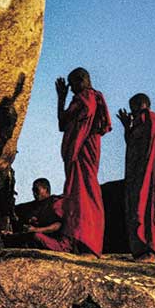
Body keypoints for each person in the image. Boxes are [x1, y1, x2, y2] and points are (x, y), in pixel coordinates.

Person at [56, 67, 111, 255]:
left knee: (86, 193)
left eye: (72, 85)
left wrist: (77, 142)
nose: (71, 90)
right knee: (77, 194)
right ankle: (78, 240)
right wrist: (61, 98)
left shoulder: (87, 97)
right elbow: (62, 124)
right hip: (77, 151)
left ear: (82, 80)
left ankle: (89, 242)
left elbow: (86, 114)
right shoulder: (78, 99)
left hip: (84, 149)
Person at [116, 93, 155, 263]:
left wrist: (150, 170)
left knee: (146, 209)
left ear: (142, 104)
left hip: (148, 172)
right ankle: (140, 250)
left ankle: (151, 251)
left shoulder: (151, 118)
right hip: (136, 173)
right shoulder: (138, 122)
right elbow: (132, 145)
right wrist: (127, 127)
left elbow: (153, 146)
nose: (132, 112)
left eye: (133, 108)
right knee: (136, 209)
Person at [19, 177, 71, 251]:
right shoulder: (35, 206)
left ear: (45, 189)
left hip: (60, 243)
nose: (34, 194)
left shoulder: (55, 203)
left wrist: (36, 229)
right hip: (46, 239)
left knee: (34, 235)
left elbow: (58, 225)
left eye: (36, 190)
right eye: (33, 191)